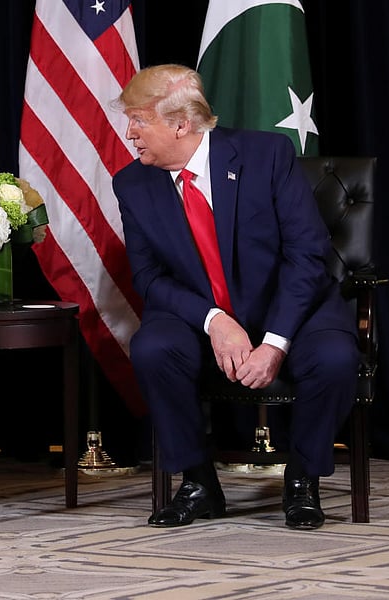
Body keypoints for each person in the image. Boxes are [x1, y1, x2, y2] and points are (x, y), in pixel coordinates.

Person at [111, 64, 359, 530]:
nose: (130, 133)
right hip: (198, 314)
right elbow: (148, 277)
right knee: (152, 347)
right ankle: (199, 481)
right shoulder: (133, 183)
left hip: (288, 308)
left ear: (180, 124)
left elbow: (307, 255)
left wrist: (274, 342)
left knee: (334, 357)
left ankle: (302, 479)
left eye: (139, 120)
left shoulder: (266, 155)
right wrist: (214, 321)